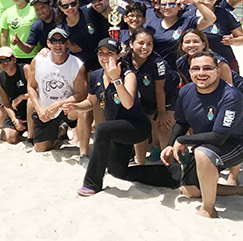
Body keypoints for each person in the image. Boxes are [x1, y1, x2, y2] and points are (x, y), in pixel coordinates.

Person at [68, 38, 180, 197]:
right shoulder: (96, 76)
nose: (105, 57)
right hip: (116, 128)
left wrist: (116, 79)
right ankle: (171, 174)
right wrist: (75, 106)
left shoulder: (128, 75)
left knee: (101, 129)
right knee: (118, 171)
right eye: (101, 53)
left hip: (137, 127)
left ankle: (91, 183)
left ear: (118, 55)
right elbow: (91, 102)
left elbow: (128, 103)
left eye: (110, 53)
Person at [161, 52, 243, 218]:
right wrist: (170, 144)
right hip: (205, 142)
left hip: (234, 143)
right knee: (189, 190)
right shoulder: (186, 91)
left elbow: (219, 137)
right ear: (190, 72)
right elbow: (181, 122)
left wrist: (182, 140)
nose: (201, 73)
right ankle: (239, 191)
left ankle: (208, 209)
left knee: (203, 153)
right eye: (196, 69)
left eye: (207, 68)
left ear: (217, 71)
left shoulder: (231, 96)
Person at [26, 28, 87, 153]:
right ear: (48, 43)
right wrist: (39, 109)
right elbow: (31, 86)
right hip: (46, 109)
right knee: (40, 149)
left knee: (84, 110)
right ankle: (60, 132)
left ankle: (84, 152)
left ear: (67, 43)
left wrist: (59, 103)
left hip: (67, 109)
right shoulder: (37, 61)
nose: (58, 44)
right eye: (54, 41)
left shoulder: (77, 65)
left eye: (62, 41)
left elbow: (82, 94)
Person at [122, 27, 177, 163]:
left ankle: (167, 163)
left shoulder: (158, 63)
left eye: (149, 44)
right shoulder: (124, 61)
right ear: (131, 43)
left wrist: (162, 112)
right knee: (140, 127)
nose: (145, 47)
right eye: (140, 43)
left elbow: (160, 90)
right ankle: (140, 163)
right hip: (144, 97)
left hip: (168, 95)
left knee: (164, 126)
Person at [149, 0, 215, 69]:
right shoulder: (152, 25)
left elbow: (211, 19)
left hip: (182, 68)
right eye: (163, 5)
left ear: (179, 6)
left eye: (172, 4)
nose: (167, 7)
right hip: (160, 69)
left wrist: (195, 3)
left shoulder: (187, 22)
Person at [194, 0, 243, 72]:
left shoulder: (225, 14)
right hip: (197, 66)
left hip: (225, 64)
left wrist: (233, 41)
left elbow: (241, 38)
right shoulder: (187, 14)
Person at [55, 0, 109, 73]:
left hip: (101, 63)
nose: (70, 8)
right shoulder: (61, 28)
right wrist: (68, 44)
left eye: (73, 4)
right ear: (60, 8)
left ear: (77, 3)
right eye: (65, 6)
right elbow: (54, 41)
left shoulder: (89, 11)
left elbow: (104, 4)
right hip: (79, 68)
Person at [0, 47, 32, 144]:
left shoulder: (26, 69)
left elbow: (39, 93)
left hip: (32, 108)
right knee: (7, 137)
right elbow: (6, 104)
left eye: (8, 59)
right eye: (1, 60)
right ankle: (22, 129)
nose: (5, 63)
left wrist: (22, 97)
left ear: (14, 59)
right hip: (17, 111)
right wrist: (14, 120)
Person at [0, 0, 38, 64]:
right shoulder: (7, 13)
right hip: (14, 56)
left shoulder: (34, 9)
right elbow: (4, 35)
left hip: (33, 54)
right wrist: (5, 53)